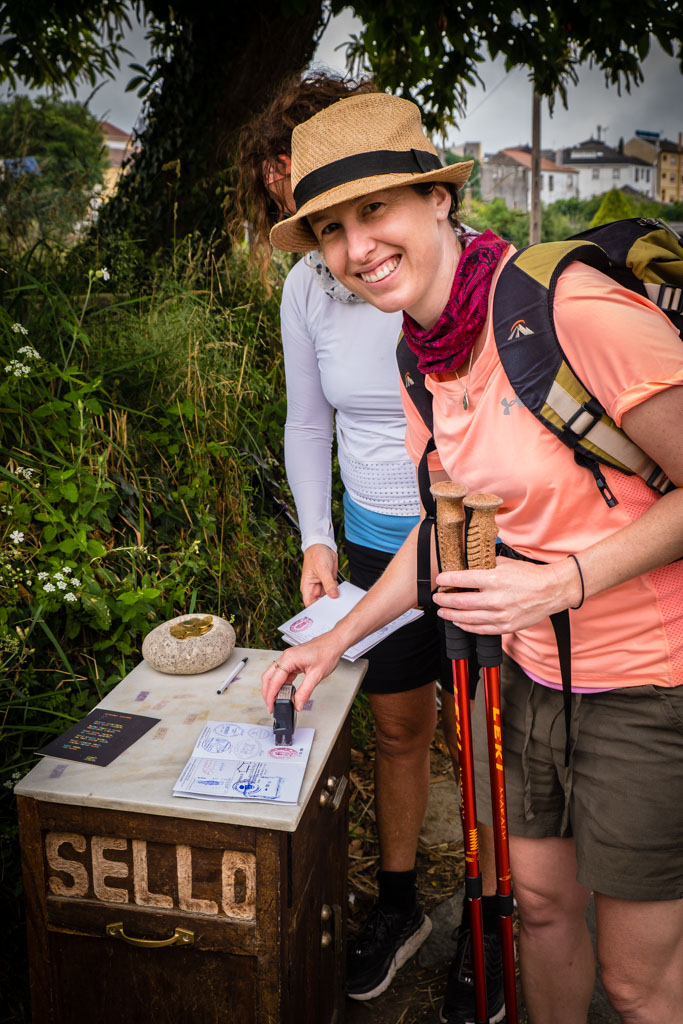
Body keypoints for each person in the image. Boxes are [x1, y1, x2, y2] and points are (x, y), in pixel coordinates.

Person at [262, 90, 683, 1024]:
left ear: (438, 200)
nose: (354, 247)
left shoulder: (564, 306)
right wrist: (337, 642)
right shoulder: (424, 351)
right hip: (535, 676)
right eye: (330, 228)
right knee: (536, 910)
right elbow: (447, 523)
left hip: (649, 682)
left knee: (637, 981)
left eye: (374, 209)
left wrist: (560, 581)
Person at [231, 74, 503, 1020]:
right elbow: (308, 426)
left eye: (359, 199)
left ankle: (496, 915)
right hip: (373, 540)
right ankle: (400, 907)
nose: (341, 233)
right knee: (397, 728)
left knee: (490, 743)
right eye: (306, 202)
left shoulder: (465, 278)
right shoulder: (310, 287)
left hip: (482, 540)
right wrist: (316, 539)